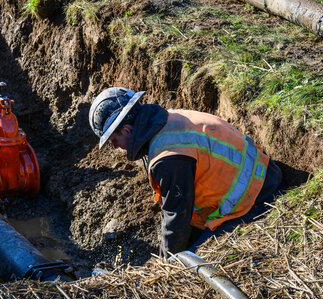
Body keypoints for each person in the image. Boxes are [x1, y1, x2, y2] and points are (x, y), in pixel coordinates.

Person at [89, 87, 283, 256]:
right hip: (264, 174)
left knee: (191, 261)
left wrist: (167, 264)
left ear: (127, 130)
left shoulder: (168, 157)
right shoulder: (170, 119)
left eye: (114, 141)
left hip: (256, 199)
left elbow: (177, 216)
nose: (115, 148)